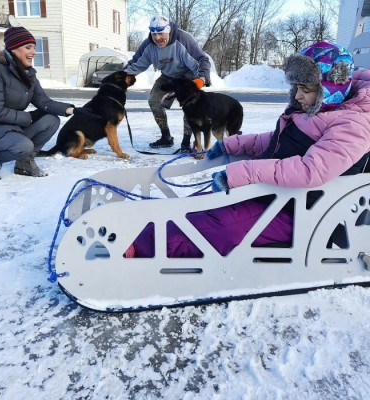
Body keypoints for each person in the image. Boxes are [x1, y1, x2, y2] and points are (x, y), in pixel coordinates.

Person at [127, 41, 370, 258]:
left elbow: (311, 170)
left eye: (305, 90)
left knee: (215, 224)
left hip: (297, 211)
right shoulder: (319, 111)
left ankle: (139, 248)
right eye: (296, 88)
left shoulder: (352, 125)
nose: (297, 96)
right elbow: (278, 142)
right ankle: (139, 230)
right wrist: (231, 144)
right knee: (201, 203)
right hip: (271, 193)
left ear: (332, 87)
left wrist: (243, 172)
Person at [0, 26, 90, 181]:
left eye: (34, 47)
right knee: (24, 146)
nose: (33, 52)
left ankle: (24, 163)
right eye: (28, 47)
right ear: (13, 49)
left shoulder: (28, 74)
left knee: (51, 120)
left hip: (10, 126)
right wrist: (29, 117)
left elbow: (44, 101)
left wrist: (73, 111)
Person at [124, 15, 211, 152]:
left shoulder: (183, 39)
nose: (157, 38)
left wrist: (202, 78)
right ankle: (166, 137)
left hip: (189, 77)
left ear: (168, 30)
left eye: (161, 33)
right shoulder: (149, 45)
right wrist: (119, 78)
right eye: (154, 33)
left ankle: (186, 141)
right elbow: (135, 64)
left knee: (190, 106)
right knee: (154, 100)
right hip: (168, 76)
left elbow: (202, 60)